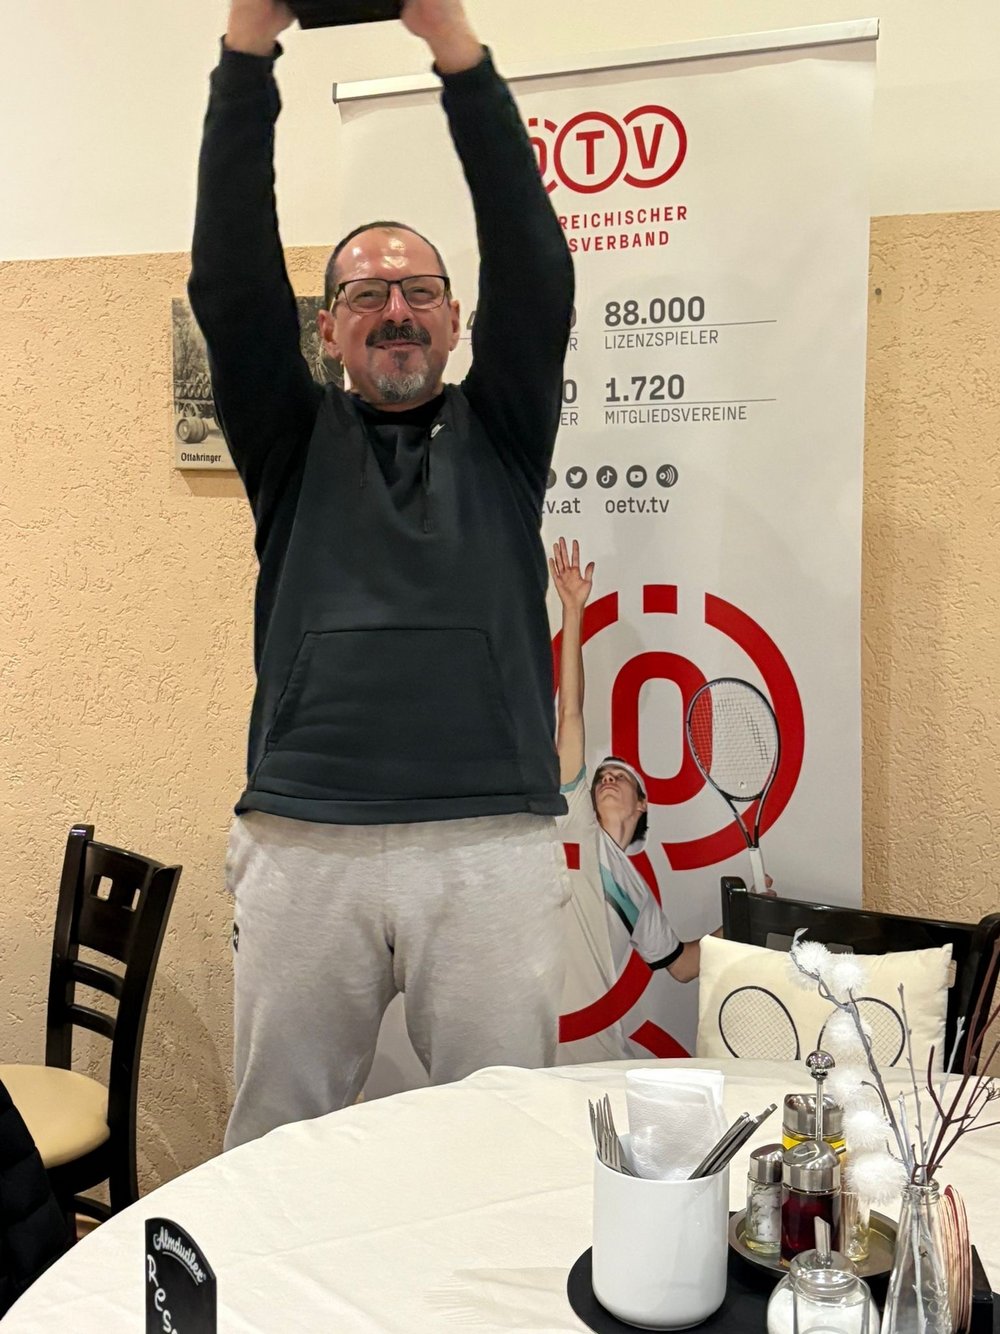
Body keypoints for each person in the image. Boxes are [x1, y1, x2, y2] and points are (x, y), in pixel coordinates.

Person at [189, 0, 575, 1149]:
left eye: (419, 292)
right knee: (277, 1146)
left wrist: (454, 49)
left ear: (456, 322)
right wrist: (246, 51)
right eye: (365, 294)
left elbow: (535, 263)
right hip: (306, 838)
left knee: (503, 1147)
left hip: (489, 842)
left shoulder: (503, 430)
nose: (396, 309)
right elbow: (230, 279)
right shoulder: (289, 438)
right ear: (328, 330)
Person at [550, 538, 704, 1056]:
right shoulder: (572, 822)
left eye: (621, 777)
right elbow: (571, 713)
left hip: (598, 1060)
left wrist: (746, 920)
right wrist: (574, 611)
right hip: (531, 1058)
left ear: (643, 804)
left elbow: (683, 966)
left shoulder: (636, 891)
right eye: (600, 777)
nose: (607, 780)